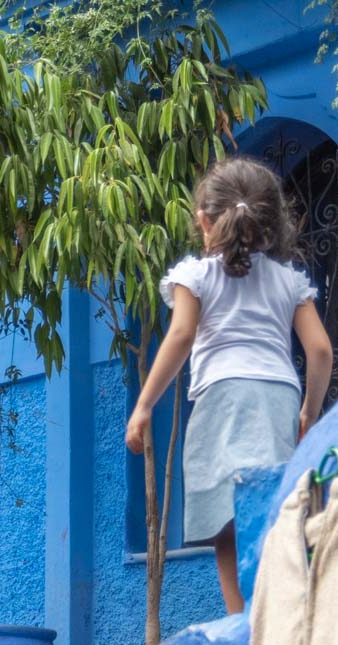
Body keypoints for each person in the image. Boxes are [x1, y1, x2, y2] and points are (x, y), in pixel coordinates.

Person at [127, 156, 334, 613]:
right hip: (278, 398)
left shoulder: (195, 276)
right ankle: (278, 613)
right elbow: (320, 351)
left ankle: (241, 620)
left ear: (203, 220)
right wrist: (309, 413)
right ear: (271, 223)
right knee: (275, 513)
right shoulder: (289, 281)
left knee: (226, 519)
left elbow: (180, 337)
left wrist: (144, 406)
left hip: (221, 398)